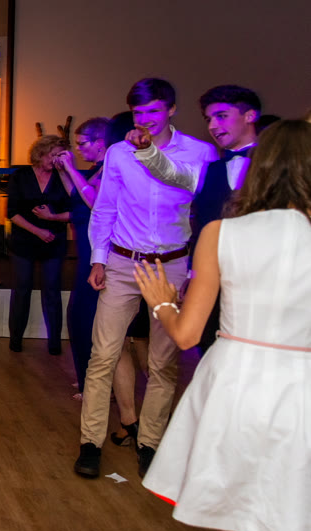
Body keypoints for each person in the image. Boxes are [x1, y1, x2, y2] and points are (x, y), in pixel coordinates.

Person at [134, 119, 311, 531]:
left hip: (236, 390)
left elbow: (187, 335)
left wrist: (162, 303)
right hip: (303, 395)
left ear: (261, 167)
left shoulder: (220, 233)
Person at [74, 78, 217, 479]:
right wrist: (98, 259)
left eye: (154, 111)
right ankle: (90, 444)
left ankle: (150, 444)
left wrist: (193, 272)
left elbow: (194, 195)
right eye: (139, 113)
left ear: (171, 109)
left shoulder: (199, 152)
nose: (146, 119)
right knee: (102, 355)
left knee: (163, 363)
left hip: (171, 265)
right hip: (123, 263)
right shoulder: (118, 153)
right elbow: (105, 208)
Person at [132, 85, 262, 355]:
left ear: (249, 116)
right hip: (214, 280)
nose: (213, 126)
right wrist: (193, 274)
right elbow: (171, 173)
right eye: (208, 119)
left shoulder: (277, 166)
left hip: (261, 280)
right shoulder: (208, 170)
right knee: (211, 349)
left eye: (221, 116)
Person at [59, 114, 147, 445]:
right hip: (88, 245)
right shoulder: (98, 169)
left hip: (103, 249)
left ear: (101, 142)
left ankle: (96, 385)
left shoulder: (110, 166)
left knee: (86, 318)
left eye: (84, 143)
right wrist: (65, 171)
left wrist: (71, 169)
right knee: (81, 318)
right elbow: (77, 196)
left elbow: (95, 202)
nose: (80, 148)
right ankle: (89, 381)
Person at [6, 135, 72, 354]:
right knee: (21, 290)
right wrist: (38, 231)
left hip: (54, 242)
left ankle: (54, 343)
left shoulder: (65, 178)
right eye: (52, 155)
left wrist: (52, 219)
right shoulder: (21, 176)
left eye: (60, 156)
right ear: (40, 154)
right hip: (24, 242)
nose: (55, 160)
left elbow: (75, 212)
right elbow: (12, 212)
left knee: (52, 291)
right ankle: (15, 340)